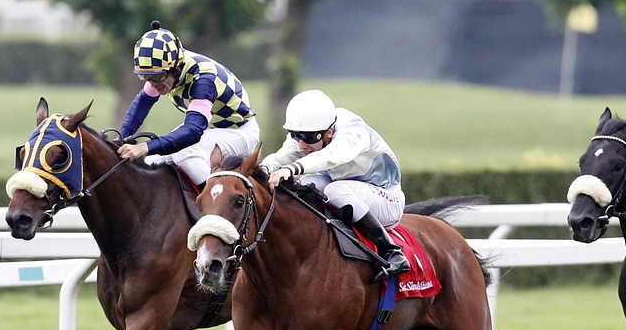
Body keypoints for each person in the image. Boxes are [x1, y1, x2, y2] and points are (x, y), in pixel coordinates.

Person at [260, 89, 411, 277]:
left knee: (335, 190)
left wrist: (291, 169)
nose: (301, 144)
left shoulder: (352, 131)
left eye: (308, 138)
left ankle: (391, 252)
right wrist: (261, 170)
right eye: (295, 135)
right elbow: (282, 156)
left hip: (386, 198)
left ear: (329, 132)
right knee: (306, 185)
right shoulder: (311, 129)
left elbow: (329, 157)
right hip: (349, 186)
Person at [116, 21, 260, 186]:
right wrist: (120, 139)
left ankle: (218, 204)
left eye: (156, 77)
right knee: (151, 161)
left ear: (176, 68)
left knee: (184, 153)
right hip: (210, 129)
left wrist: (143, 147)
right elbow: (143, 103)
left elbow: (193, 131)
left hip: (239, 132)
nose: (152, 84)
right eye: (146, 77)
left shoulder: (204, 79)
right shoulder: (164, 71)